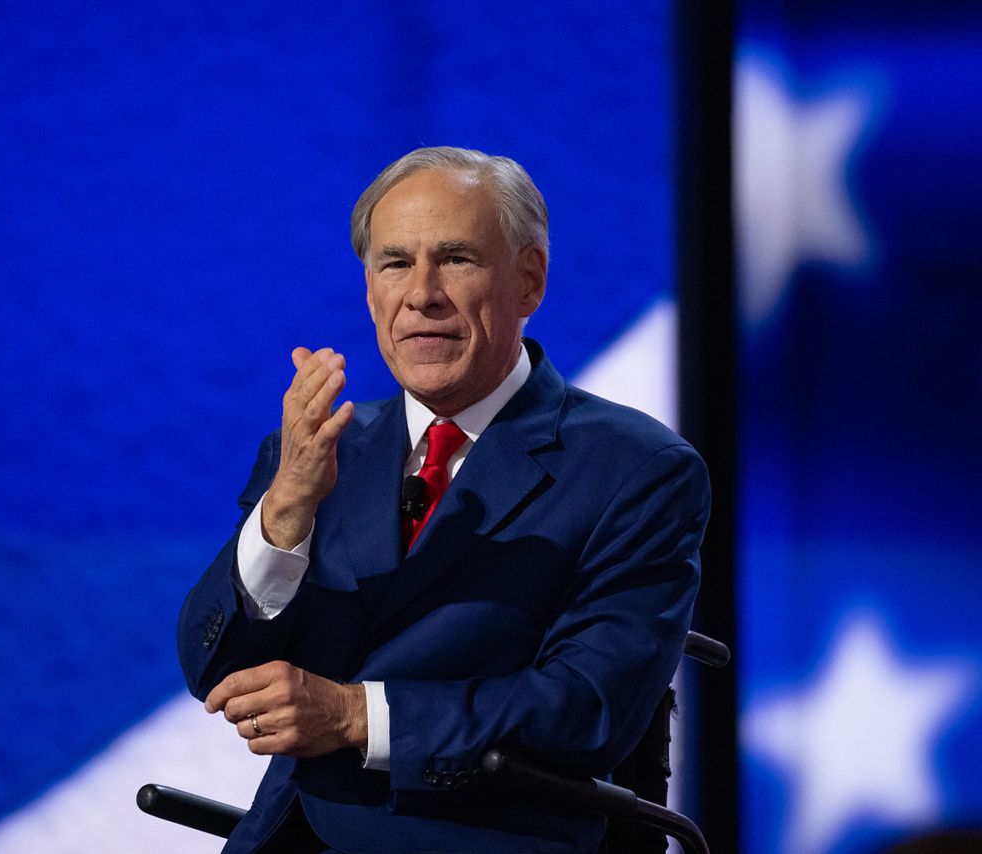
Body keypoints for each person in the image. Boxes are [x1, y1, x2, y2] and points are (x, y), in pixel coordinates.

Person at [177, 146, 710, 853]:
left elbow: (588, 708)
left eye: (455, 259)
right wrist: (284, 514)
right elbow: (210, 667)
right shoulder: (323, 447)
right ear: (370, 291)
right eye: (395, 263)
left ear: (529, 281)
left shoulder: (637, 469)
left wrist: (352, 715)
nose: (421, 293)